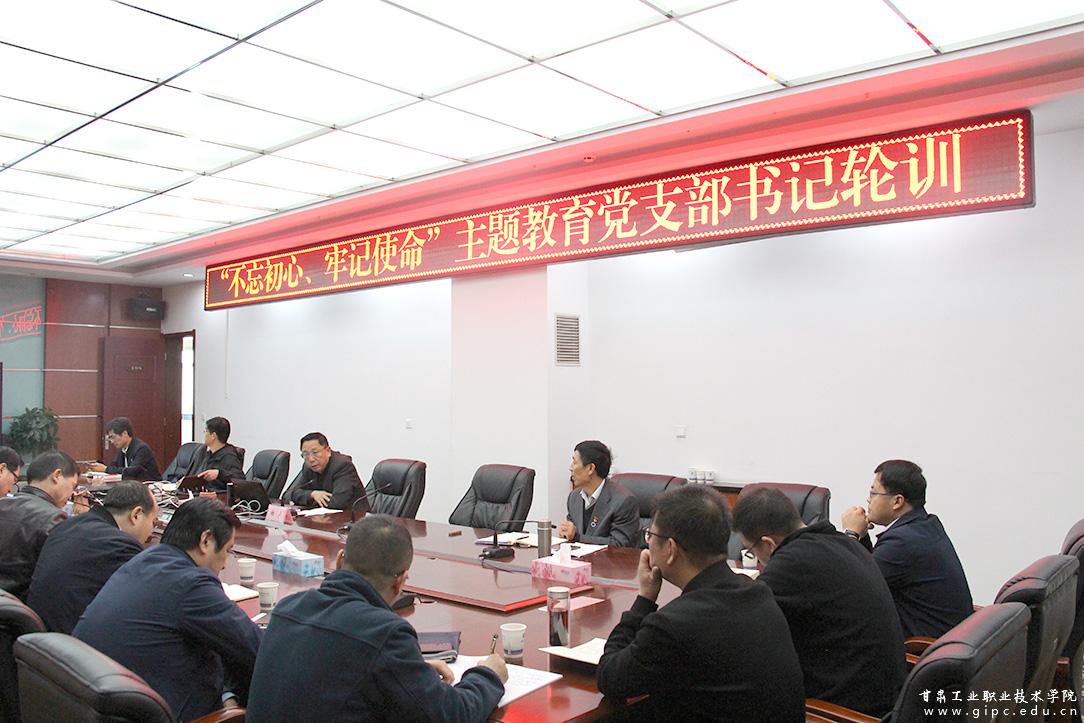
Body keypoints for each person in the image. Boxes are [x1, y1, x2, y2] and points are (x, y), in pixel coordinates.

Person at [247, 515, 507, 722]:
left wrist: (410, 671)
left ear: (340, 560)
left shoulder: (287, 609)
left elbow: (328, 671)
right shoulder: (385, 633)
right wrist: (487, 675)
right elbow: (452, 715)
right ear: (400, 581)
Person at [597, 485, 804, 722]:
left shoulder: (672, 624)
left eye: (650, 536)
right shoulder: (758, 593)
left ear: (671, 549)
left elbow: (610, 678)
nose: (648, 544)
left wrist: (644, 600)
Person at [73, 497, 261, 721]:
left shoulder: (144, 559)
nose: (226, 563)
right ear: (206, 540)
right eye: (228, 550)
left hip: (94, 704)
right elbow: (258, 647)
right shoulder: (191, 583)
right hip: (148, 711)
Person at [733, 488, 906, 716]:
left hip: (846, 712)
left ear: (768, 544)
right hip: (887, 701)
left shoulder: (792, 562)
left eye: (751, 550)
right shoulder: (843, 542)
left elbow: (741, 627)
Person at [841, 459, 974, 639]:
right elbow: (876, 570)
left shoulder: (902, 542)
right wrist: (863, 537)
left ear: (897, 501)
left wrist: (851, 534)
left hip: (922, 648)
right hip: (950, 638)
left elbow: (848, 587)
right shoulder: (924, 526)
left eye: (873, 493)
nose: (868, 499)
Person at [27, 481, 158, 634]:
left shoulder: (69, 524)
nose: (151, 532)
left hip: (38, 634)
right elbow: (141, 606)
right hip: (72, 640)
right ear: (136, 514)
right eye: (153, 522)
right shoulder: (120, 546)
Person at [0, 451, 83, 600]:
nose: (72, 493)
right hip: (21, 607)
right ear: (57, 475)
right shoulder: (55, 519)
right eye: (73, 485)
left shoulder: (3, 504)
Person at [557, 440, 639, 547]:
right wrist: (566, 532)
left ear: (590, 468)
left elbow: (620, 545)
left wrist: (577, 537)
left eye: (574, 462)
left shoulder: (623, 501)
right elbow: (571, 535)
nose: (570, 468)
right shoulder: (574, 497)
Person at [287, 432, 364, 511]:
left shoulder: (343, 466)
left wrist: (311, 500)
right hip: (323, 515)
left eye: (315, 452)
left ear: (328, 451)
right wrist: (313, 494)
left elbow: (337, 503)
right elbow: (291, 494)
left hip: (353, 515)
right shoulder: (308, 467)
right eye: (306, 454)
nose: (311, 459)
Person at [182, 416, 244, 492]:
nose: (204, 434)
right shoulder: (202, 451)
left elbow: (240, 481)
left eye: (206, 431)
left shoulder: (229, 456)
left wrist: (219, 474)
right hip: (195, 492)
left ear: (213, 436)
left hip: (214, 495)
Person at [88, 417, 161, 481]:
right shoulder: (123, 450)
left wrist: (105, 469)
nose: (112, 442)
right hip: (132, 485)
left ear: (124, 433)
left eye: (113, 437)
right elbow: (114, 466)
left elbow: (132, 472)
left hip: (150, 486)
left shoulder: (141, 449)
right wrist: (99, 468)